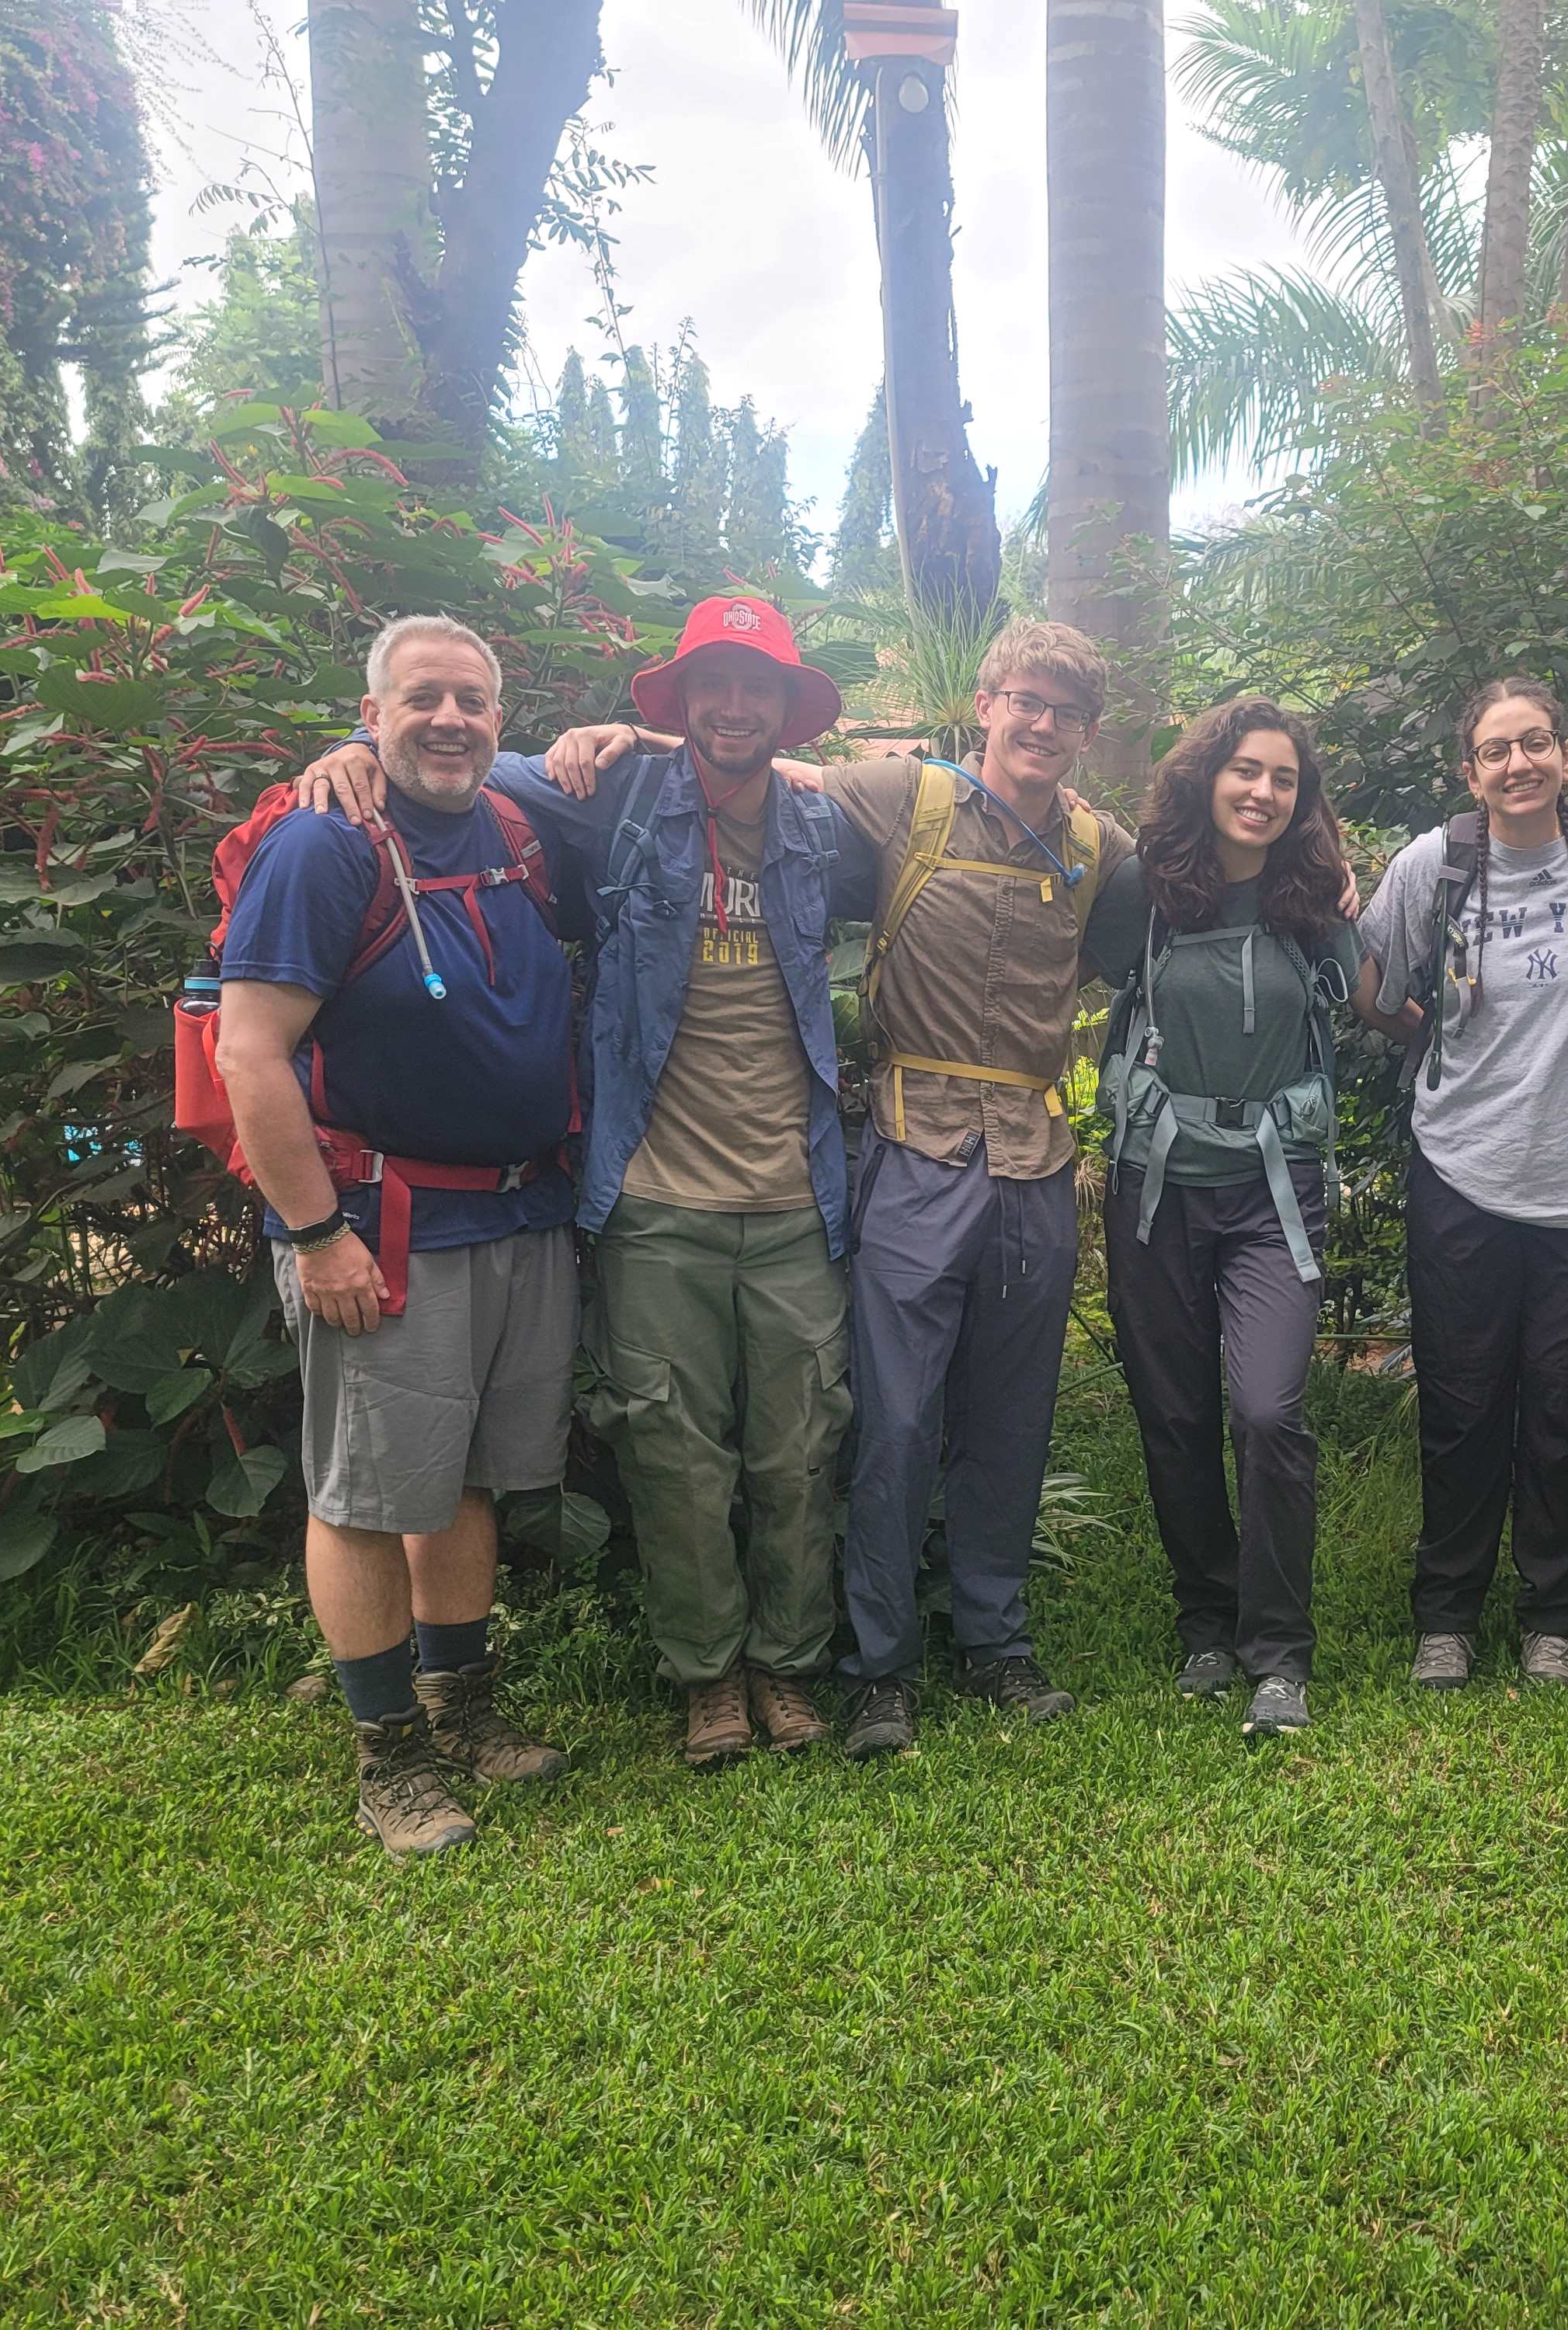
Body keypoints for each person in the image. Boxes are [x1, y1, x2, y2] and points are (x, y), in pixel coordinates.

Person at [299, 595, 860, 1772]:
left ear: (788, 707)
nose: (736, 706)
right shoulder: (614, 801)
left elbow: (953, 791)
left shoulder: (826, 824)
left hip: (800, 1198)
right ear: (686, 698)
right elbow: (450, 754)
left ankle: (790, 1669)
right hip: (655, 1194)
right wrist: (350, 753)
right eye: (715, 683)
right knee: (672, 1451)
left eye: (760, 687)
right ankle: (709, 1679)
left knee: (800, 1447)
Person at [218, 615, 582, 1856]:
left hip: (516, 1210)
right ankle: (391, 1759)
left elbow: (668, 759)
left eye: (474, 701)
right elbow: (248, 1051)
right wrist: (317, 1234)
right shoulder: (323, 846)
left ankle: (462, 1708)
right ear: (369, 712)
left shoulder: (515, 827)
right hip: (383, 1226)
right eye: (422, 698)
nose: (451, 721)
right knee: (368, 1494)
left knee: (461, 1480)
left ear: (501, 714)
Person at [815, 623, 1137, 1761]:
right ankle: (878, 1668)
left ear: (1087, 734)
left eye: (1064, 712)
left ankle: (995, 1639)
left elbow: (1181, 917)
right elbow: (753, 765)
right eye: (1024, 702)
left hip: (1038, 1163)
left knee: (1012, 1416)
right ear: (986, 705)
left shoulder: (1104, 848)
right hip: (913, 1150)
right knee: (897, 1417)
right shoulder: (907, 797)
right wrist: (612, 735)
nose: (1041, 725)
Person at [1351, 677, 1568, 1695]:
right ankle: (1446, 1618)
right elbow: (1374, 991)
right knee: (1459, 1402)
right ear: (1469, 770)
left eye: (1537, 744)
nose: (1518, 764)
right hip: (1463, 1170)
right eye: (1497, 751)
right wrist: (1434, 1036)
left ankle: (1553, 1627)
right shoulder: (1432, 865)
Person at [1083, 698, 1359, 1744]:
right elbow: (1068, 970)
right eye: (1247, 770)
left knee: (1268, 1409)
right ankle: (1207, 1620)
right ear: (1207, 775)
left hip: (1274, 1192)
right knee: (1177, 1414)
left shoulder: (1315, 902)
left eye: (1284, 780)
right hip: (1154, 1183)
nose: (1263, 793)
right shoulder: (1142, 894)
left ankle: (1279, 1651)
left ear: (1302, 800)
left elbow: (1373, 993)